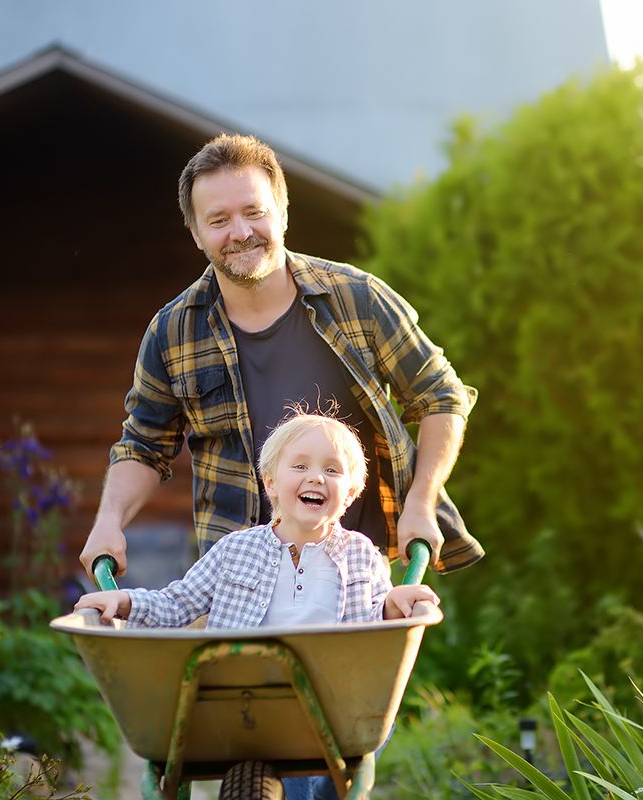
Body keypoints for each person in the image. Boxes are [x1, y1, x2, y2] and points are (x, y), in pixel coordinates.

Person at [78, 133, 483, 580]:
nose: (240, 232)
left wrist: (421, 503)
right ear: (196, 234)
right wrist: (107, 522)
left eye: (254, 212)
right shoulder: (173, 331)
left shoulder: (357, 299)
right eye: (219, 220)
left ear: (283, 213)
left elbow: (440, 397)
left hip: (358, 578)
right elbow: (143, 446)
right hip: (238, 583)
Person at [75, 413, 436, 800]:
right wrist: (125, 601)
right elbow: (178, 603)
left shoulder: (361, 554)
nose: (316, 477)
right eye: (300, 466)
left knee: (331, 764)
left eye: (332, 470)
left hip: (335, 707)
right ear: (271, 483)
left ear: (349, 493)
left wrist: (396, 605)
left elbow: (376, 622)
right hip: (242, 703)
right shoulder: (236, 550)